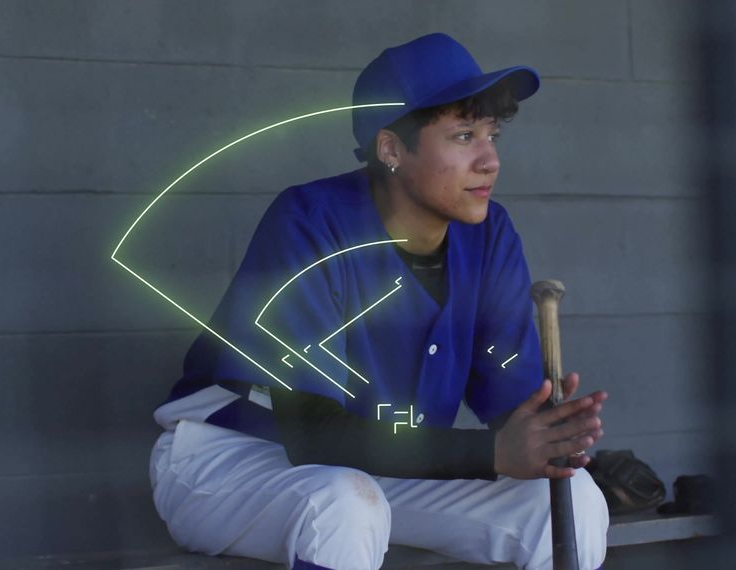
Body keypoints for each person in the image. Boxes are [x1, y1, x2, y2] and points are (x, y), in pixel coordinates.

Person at [148, 33, 610, 570]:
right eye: (463, 135)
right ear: (391, 149)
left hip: (383, 464)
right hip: (232, 460)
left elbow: (508, 404)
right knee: (343, 506)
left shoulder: (490, 235)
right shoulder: (310, 220)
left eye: (492, 134)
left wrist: (552, 434)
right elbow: (312, 432)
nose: (490, 160)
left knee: (569, 500)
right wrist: (495, 454)